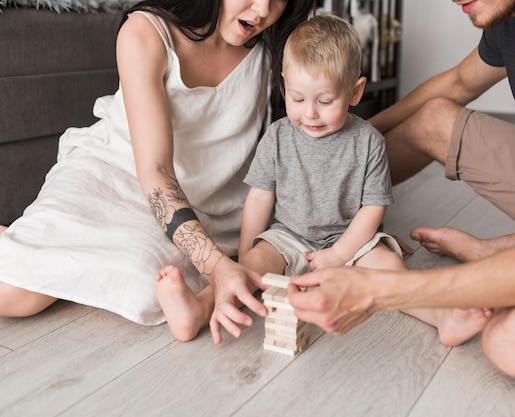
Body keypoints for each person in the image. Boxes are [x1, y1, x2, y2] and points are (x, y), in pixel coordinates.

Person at [287, 0, 515, 385]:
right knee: (433, 119)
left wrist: (380, 290)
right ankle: (323, 223)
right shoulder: (513, 22)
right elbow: (456, 84)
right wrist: (342, 145)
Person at [159, 14, 491, 348]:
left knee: (389, 265)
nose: (310, 113)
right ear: (284, 85)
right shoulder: (277, 137)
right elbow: (260, 198)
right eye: (298, 99)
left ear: (355, 91)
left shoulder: (368, 141)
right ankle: (197, 310)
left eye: (325, 101)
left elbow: (372, 208)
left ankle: (440, 316)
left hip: (350, 239)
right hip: (288, 236)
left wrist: (341, 253)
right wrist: (247, 256)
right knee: (251, 266)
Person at [0, 0, 315, 340]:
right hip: (110, 175)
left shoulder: (276, 49)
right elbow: (155, 169)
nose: (263, 9)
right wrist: (218, 268)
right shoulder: (145, 33)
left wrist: (381, 123)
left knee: (144, 289)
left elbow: (326, 127)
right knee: (14, 293)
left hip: (202, 205)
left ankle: (23, 238)